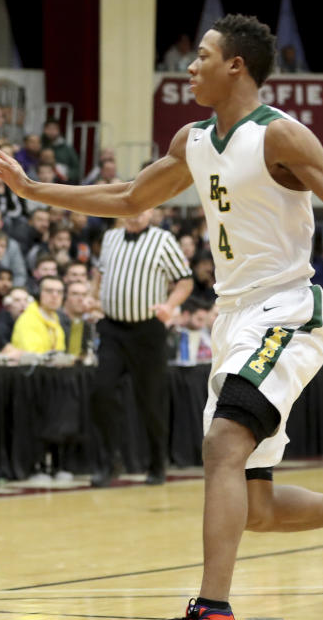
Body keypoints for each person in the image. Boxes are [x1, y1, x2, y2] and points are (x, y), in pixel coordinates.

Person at [0, 14, 323, 620]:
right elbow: (129, 198)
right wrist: (33, 189)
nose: (189, 65)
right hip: (233, 318)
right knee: (254, 509)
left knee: (222, 444)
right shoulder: (194, 140)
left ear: (236, 65)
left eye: (202, 55)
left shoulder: (281, 137)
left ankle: (212, 607)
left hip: (286, 309)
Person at [84, 208, 193, 487]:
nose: (134, 215)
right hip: (112, 328)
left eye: (140, 210)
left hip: (147, 331)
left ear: (152, 212)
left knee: (151, 400)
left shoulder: (163, 239)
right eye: (129, 210)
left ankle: (157, 463)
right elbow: (100, 273)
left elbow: (185, 279)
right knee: (101, 391)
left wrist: (169, 306)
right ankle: (110, 461)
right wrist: (91, 296)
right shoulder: (110, 238)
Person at [10, 275, 66, 354]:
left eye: (59, 292)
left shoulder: (55, 319)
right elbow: (33, 356)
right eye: (49, 291)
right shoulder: (27, 320)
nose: (55, 295)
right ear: (38, 293)